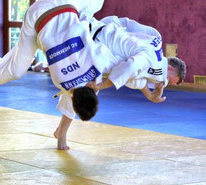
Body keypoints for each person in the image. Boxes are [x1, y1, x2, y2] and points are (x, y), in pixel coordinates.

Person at [54, 15, 186, 150]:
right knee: (83, 90)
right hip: (94, 43)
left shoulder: (155, 40)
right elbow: (130, 68)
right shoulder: (156, 68)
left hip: (102, 34)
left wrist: (149, 95)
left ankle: (61, 131)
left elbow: (128, 24)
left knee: (84, 89)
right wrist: (101, 85)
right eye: (169, 80)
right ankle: (61, 133)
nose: (165, 84)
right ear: (169, 68)